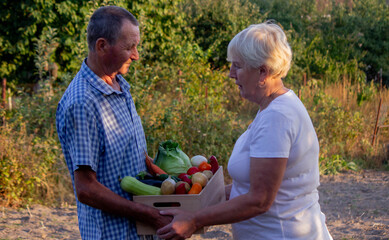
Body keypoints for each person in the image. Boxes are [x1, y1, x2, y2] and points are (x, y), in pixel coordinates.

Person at [156, 21, 333, 240]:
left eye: (237, 66)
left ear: (262, 72)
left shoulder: (277, 117)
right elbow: (248, 188)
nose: (231, 74)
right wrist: (198, 199)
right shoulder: (273, 108)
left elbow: (260, 199)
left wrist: (195, 220)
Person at [56, 6, 171, 240]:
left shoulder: (119, 85)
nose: (136, 55)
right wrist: (148, 214)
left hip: (139, 231)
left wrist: (164, 176)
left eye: (136, 46)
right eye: (129, 47)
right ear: (101, 46)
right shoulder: (83, 103)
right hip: (113, 233)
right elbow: (86, 189)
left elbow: (126, 153)